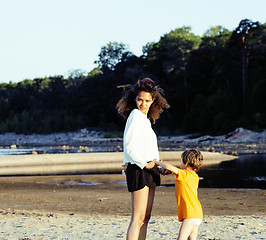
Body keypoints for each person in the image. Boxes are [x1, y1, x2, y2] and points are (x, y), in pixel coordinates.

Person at [116, 77, 170, 240]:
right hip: (139, 169)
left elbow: (149, 148)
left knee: (146, 218)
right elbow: (130, 146)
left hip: (151, 168)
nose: (143, 104)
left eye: (147, 100)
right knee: (138, 218)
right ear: (135, 99)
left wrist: (158, 165)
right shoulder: (134, 115)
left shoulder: (145, 120)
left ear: (153, 100)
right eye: (140, 100)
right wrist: (145, 164)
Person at [155, 149, 204, 240]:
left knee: (181, 238)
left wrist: (157, 162)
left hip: (190, 215)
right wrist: (165, 170)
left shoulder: (184, 174)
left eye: (180, 161)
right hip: (197, 214)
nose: (179, 163)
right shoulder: (193, 176)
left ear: (186, 164)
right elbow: (173, 171)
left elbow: (170, 167)